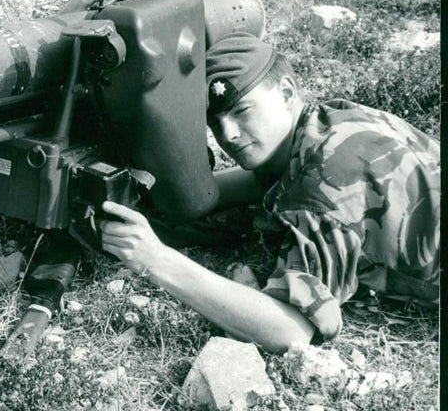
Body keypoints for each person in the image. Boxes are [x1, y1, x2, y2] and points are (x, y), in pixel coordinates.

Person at [99, 32, 440, 353]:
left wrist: (156, 259)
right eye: (215, 123)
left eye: (242, 111)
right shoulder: (328, 121)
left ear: (287, 93)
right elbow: (265, 180)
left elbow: (291, 330)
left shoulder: (321, 191)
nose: (228, 135)